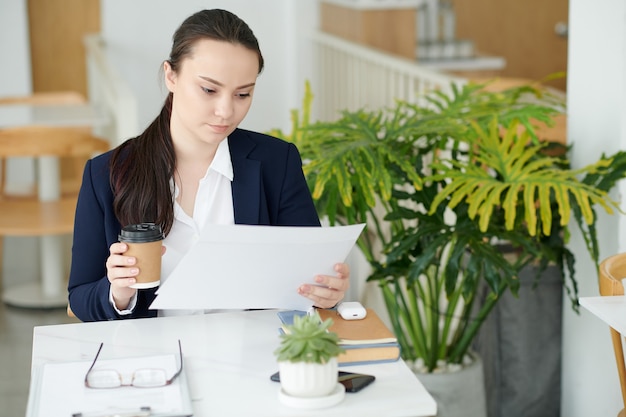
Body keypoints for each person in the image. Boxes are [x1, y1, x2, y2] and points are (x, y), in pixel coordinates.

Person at [67, 9, 350, 322]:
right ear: (170, 75)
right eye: (209, 90)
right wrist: (118, 292)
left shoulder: (276, 162)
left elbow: (308, 275)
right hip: (154, 359)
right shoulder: (106, 173)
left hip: (253, 356)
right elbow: (79, 297)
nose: (225, 111)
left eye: (243, 94)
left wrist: (326, 292)